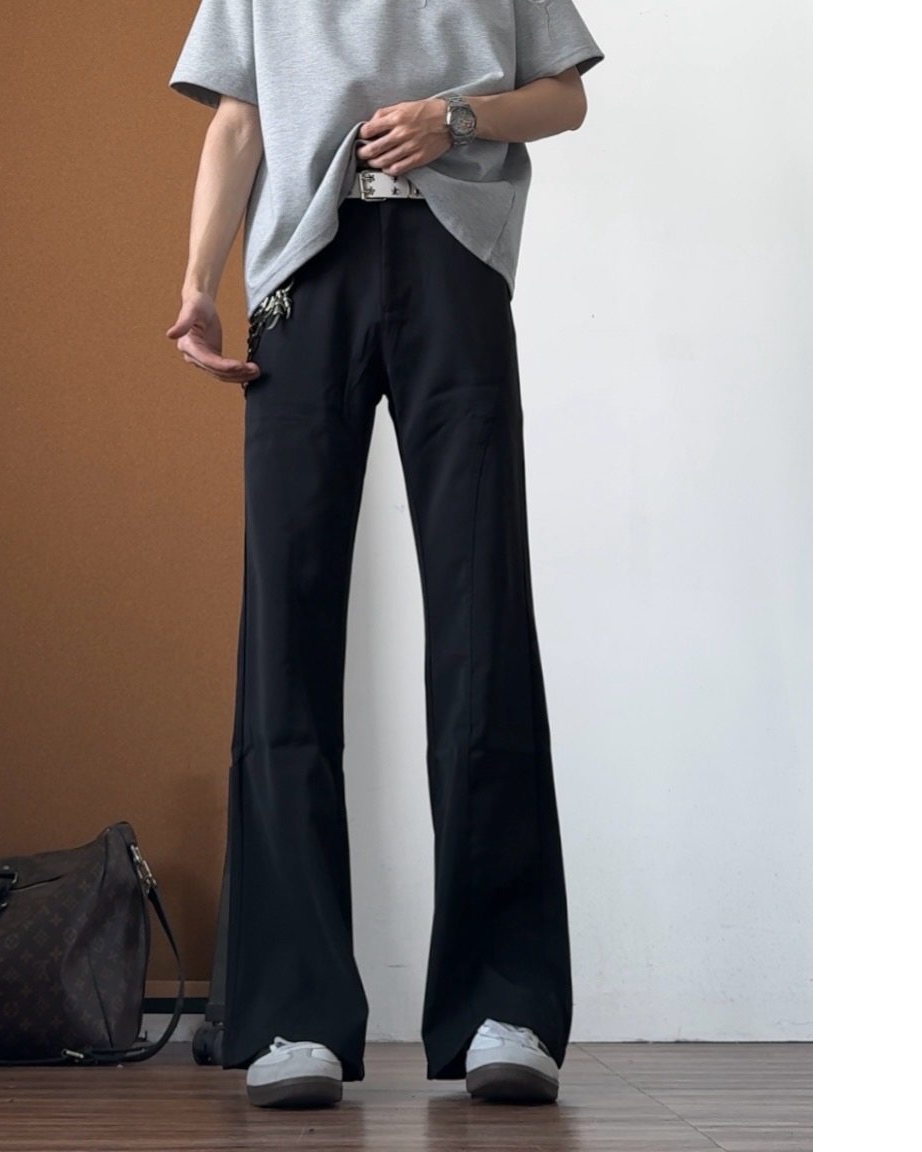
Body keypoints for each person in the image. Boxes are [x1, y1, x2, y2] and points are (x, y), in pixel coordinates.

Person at [164, 0, 604, 1110]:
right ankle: (293, 1012)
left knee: (482, 620)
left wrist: (456, 117)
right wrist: (198, 284)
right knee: (287, 634)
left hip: (454, 264)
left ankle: (505, 1007)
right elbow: (236, 120)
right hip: (302, 274)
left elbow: (565, 97)